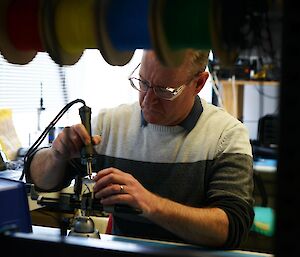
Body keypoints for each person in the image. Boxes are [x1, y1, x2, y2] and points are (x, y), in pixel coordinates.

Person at [27, 49, 254, 249]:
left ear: (199, 83)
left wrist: (149, 203)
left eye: (165, 90)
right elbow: (41, 180)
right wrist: (57, 155)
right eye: (143, 83)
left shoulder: (226, 135)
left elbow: (231, 229)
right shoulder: (109, 126)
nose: (148, 100)